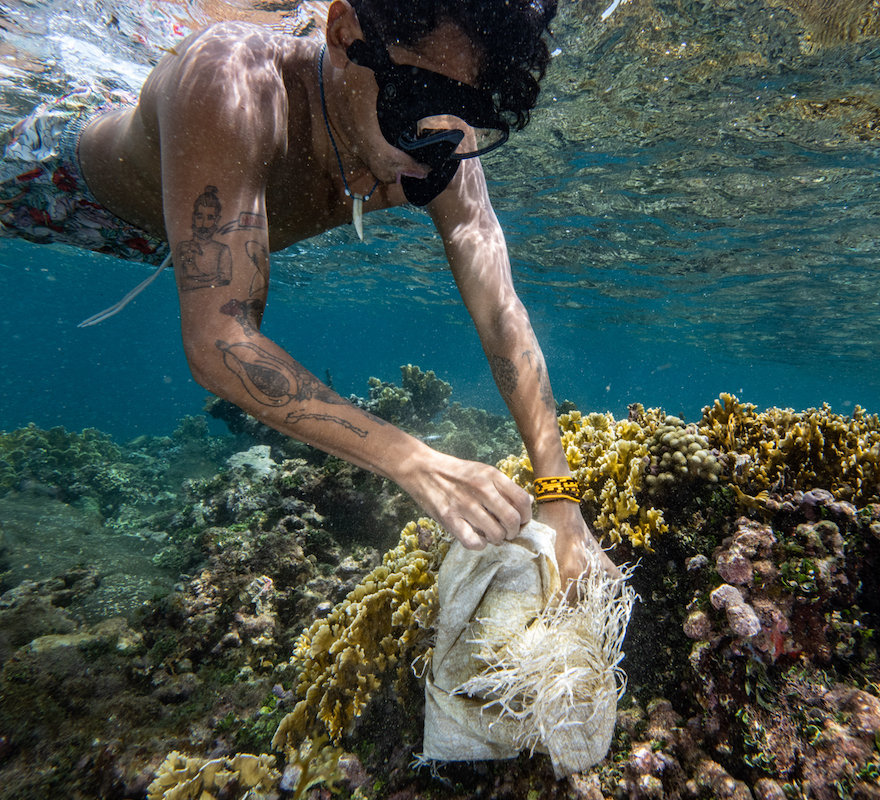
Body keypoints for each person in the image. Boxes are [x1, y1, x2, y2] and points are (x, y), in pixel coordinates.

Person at [0, 0, 614, 584]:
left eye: (470, 116)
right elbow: (220, 338)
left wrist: (558, 498)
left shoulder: (436, 139)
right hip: (53, 181)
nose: (437, 145)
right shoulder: (232, 85)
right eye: (422, 100)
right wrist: (412, 459)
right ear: (344, 33)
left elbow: (501, 309)